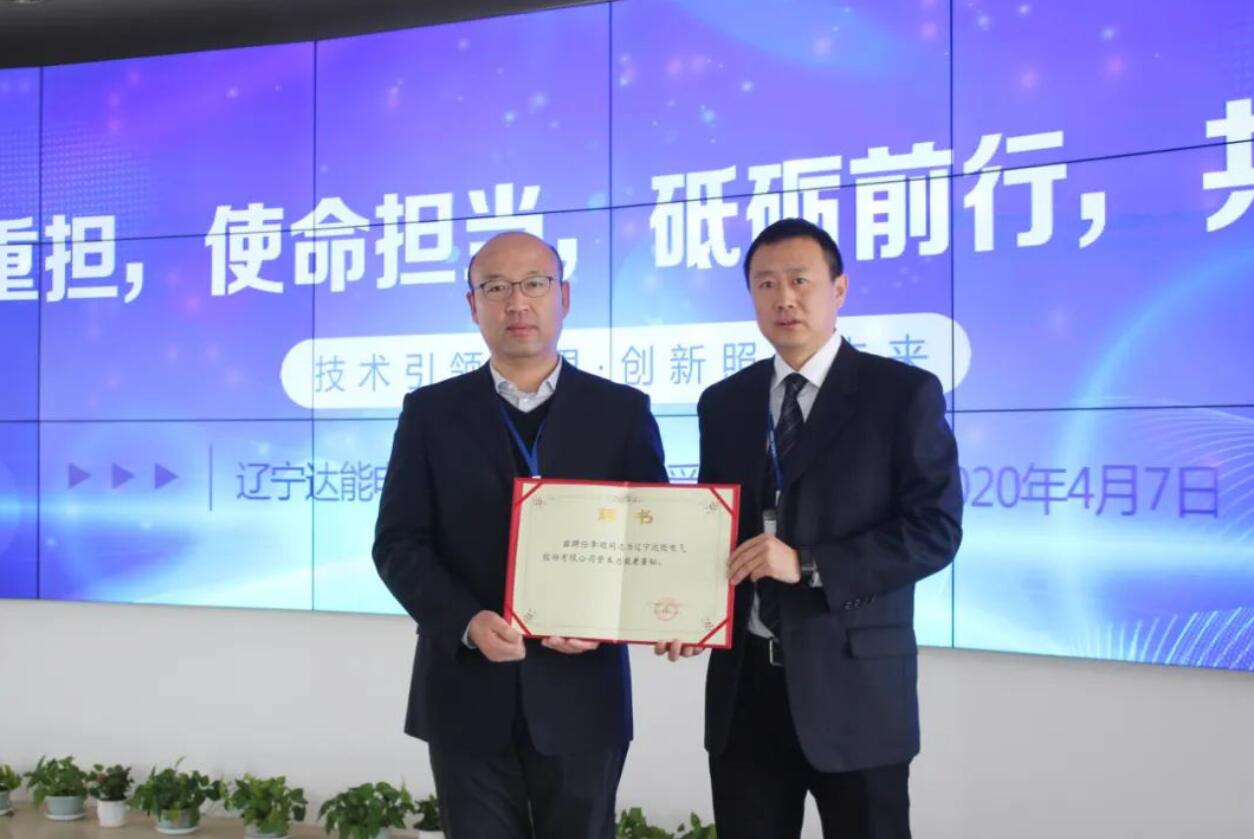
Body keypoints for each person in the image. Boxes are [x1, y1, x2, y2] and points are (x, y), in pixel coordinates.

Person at [659, 218, 962, 838]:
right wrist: (689, 612)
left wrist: (807, 563)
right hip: (746, 692)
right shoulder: (725, 401)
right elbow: (715, 526)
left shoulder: (900, 393)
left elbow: (935, 529)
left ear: (839, 289)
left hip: (856, 693)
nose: (784, 298)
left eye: (800, 280)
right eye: (766, 283)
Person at [374, 231, 667, 839]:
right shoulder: (430, 413)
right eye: (496, 288)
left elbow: (653, 541)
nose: (517, 303)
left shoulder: (621, 412)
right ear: (472, 304)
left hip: (583, 694)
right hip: (465, 689)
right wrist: (465, 620)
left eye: (534, 284)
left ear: (564, 296)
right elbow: (398, 544)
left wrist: (604, 619)